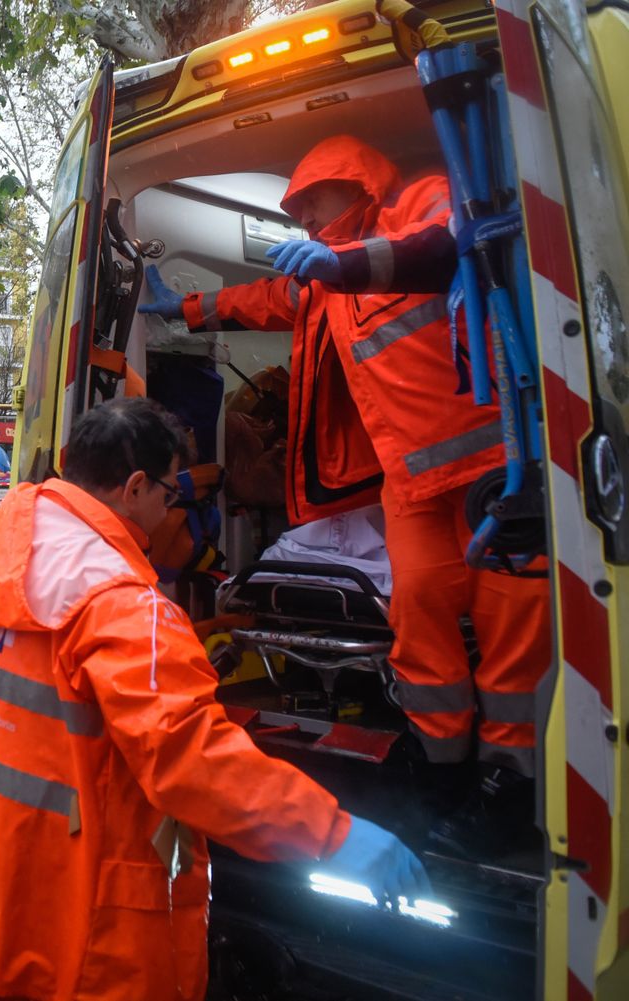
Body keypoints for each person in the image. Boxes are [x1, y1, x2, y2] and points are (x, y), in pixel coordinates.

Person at [0, 398, 428, 1001]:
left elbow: (56, 672)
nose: (170, 510)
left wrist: (187, 645)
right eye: (170, 494)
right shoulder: (122, 602)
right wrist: (331, 834)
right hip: (74, 897)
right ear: (136, 486)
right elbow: (192, 758)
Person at [138, 135, 550, 856]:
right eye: (294, 212)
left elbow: (445, 242)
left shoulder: (416, 202)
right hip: (412, 484)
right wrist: (185, 309)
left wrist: (347, 263)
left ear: (349, 181)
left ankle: (511, 792)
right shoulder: (319, 279)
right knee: (421, 630)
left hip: (498, 469)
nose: (302, 220)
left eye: (309, 203)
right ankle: (443, 783)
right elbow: (263, 299)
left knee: (511, 639)